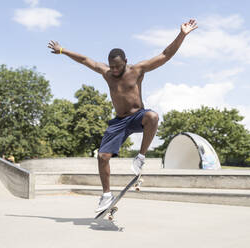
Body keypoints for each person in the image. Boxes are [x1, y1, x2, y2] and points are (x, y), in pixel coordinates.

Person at [48, 19, 198, 213]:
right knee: (102, 157)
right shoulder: (106, 72)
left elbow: (165, 55)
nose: (115, 70)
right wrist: (63, 50)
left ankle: (141, 157)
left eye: (118, 66)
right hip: (119, 121)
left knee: (153, 116)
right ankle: (106, 194)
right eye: (112, 66)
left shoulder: (138, 70)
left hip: (138, 116)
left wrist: (182, 35)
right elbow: (86, 60)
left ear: (125, 62)